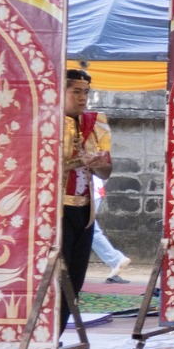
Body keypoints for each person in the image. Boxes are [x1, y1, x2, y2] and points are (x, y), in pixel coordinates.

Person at [59, 69, 113, 301]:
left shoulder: (94, 124)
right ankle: (50, 335)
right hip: (56, 211)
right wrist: (80, 161)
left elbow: (106, 171)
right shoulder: (47, 124)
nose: (83, 98)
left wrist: (98, 164)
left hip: (85, 212)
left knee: (75, 279)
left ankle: (59, 331)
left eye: (86, 92)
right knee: (57, 278)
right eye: (76, 92)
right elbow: (43, 167)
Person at [88, 175, 130, 284]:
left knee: (89, 230)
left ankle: (115, 259)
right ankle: (115, 259)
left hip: (87, 191)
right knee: (89, 229)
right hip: (91, 190)